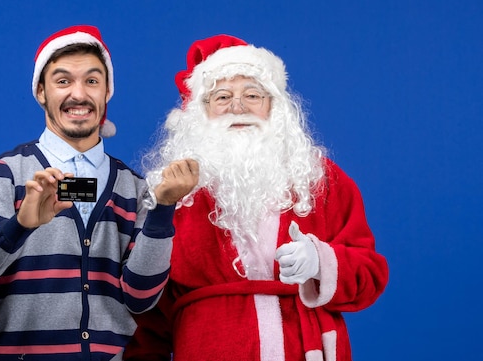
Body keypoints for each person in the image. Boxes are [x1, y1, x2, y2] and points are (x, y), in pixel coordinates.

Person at [124, 34, 389, 361]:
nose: (237, 106)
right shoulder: (174, 192)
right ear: (200, 112)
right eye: (222, 96)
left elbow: (370, 274)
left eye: (252, 94)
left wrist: (322, 261)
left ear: (274, 106)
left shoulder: (321, 179)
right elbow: (146, 312)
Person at [0, 25, 199, 361]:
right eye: (63, 80)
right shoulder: (6, 172)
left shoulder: (136, 188)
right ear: (41, 91)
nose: (78, 95)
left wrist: (163, 208)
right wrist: (21, 224)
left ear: (107, 91)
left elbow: (141, 298)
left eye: (92, 81)